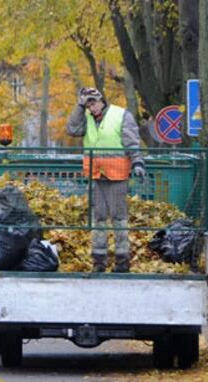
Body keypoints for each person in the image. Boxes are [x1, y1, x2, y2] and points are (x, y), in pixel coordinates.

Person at [66, 87, 146, 273]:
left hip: (117, 175)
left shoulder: (120, 115)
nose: (92, 107)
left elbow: (132, 141)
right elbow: (72, 129)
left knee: (119, 218)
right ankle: (99, 262)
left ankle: (122, 261)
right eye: (88, 104)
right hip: (96, 174)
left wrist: (137, 162)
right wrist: (79, 106)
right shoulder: (86, 118)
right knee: (98, 219)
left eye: (93, 103)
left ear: (102, 100)